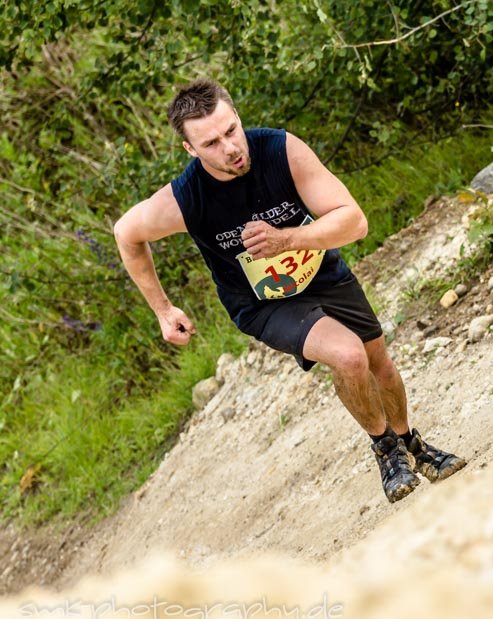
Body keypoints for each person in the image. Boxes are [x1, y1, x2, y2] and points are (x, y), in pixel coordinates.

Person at [113, 78, 465, 503]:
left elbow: (355, 222)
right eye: (211, 143)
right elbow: (126, 233)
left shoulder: (281, 151)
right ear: (190, 150)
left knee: (380, 365)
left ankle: (413, 447)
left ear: (238, 117)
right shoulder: (186, 199)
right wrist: (163, 310)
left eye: (231, 130)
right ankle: (386, 450)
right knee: (348, 355)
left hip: (320, 271)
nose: (230, 148)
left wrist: (288, 239)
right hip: (263, 304)